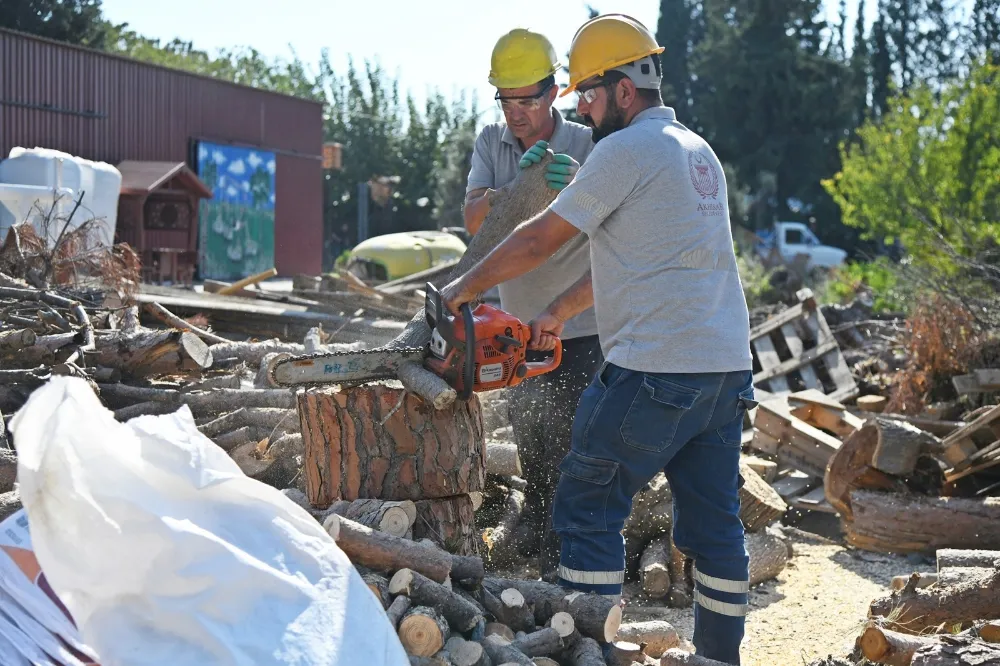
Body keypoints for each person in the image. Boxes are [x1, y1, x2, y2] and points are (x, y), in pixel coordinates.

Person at [444, 14, 756, 665]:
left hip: (653, 369)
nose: (581, 108)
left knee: (584, 501)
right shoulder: (697, 151)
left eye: (588, 92)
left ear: (622, 88)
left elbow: (536, 240)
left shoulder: (623, 151)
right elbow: (638, 258)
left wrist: (460, 291)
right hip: (723, 369)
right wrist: (559, 309)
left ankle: (588, 654)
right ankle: (719, 658)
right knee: (715, 527)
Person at [463, 27, 603, 580]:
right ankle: (537, 523)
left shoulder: (590, 144)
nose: (515, 113)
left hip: (580, 322)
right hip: (517, 322)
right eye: (506, 100)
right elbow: (476, 221)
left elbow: (608, 222)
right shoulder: (490, 143)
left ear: (553, 93)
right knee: (531, 436)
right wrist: (517, 193)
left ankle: (568, 552)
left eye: (526, 99)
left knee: (576, 439)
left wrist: (571, 190)